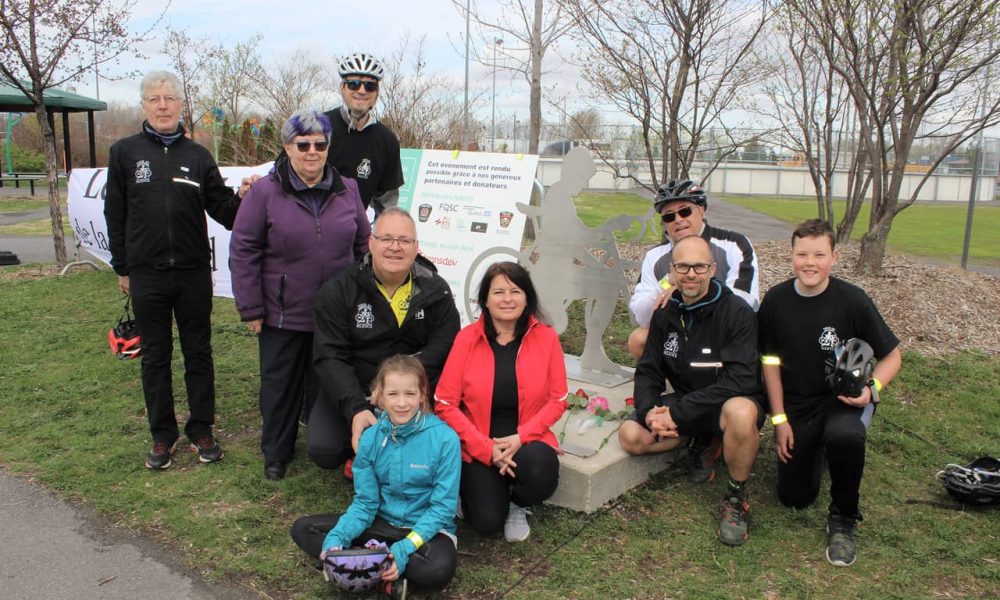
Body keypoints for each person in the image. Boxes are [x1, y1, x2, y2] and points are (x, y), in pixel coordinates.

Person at [105, 70, 240, 470]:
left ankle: (201, 429)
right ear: (144, 106)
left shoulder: (197, 156)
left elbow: (223, 208)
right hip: (146, 274)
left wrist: (248, 200)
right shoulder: (125, 152)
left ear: (181, 105)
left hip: (193, 273)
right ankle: (162, 436)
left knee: (199, 352)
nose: (162, 105)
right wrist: (122, 266)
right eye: (154, 99)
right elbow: (115, 212)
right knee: (155, 357)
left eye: (169, 98)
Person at [229, 110, 370, 481]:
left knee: (330, 382)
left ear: (328, 147)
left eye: (320, 144)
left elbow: (362, 246)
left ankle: (332, 446)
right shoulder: (263, 192)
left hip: (335, 313)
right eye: (303, 144)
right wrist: (251, 307)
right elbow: (244, 250)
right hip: (282, 312)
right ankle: (276, 451)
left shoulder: (348, 189)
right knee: (279, 386)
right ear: (287, 146)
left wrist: (363, 297)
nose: (312, 152)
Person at [758, 219, 901, 567]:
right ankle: (816, 450)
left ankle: (843, 518)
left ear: (834, 257)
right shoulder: (776, 300)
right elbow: (770, 363)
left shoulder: (853, 301)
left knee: (845, 437)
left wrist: (871, 389)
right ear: (791, 255)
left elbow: (892, 356)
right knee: (795, 497)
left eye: (819, 254)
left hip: (843, 402)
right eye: (802, 253)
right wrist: (779, 420)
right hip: (798, 406)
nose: (810, 262)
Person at [619, 235, 766, 547]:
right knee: (631, 436)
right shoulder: (664, 312)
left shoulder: (736, 313)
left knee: (742, 413)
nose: (690, 274)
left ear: (712, 269)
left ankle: (736, 499)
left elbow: (741, 380)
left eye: (699, 266)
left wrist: (677, 412)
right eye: (682, 266)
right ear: (671, 271)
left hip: (726, 404)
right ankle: (697, 440)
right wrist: (650, 413)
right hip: (687, 404)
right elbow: (649, 370)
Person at [290, 355, 461, 598]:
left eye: (410, 394)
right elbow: (365, 503)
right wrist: (337, 538)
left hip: (426, 530)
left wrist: (405, 547)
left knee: (438, 569)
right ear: (377, 394)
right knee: (304, 529)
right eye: (392, 394)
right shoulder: (370, 438)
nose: (402, 403)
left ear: (423, 394)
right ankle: (382, 569)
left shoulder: (446, 440)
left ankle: (362, 565)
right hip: (381, 523)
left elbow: (442, 509)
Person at [309, 207, 461, 472]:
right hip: (357, 388)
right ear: (371, 242)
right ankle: (360, 448)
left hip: (412, 392)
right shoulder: (338, 289)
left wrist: (401, 389)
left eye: (404, 240)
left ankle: (383, 452)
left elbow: (445, 347)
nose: (395, 247)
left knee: (437, 444)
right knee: (325, 449)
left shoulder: (437, 290)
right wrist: (356, 407)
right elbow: (330, 355)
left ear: (416, 247)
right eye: (386, 238)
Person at [435, 261, 568, 543]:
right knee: (485, 522)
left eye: (515, 291)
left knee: (541, 471)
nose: (507, 299)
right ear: (485, 299)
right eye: (498, 292)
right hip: (478, 441)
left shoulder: (545, 337)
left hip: (526, 439)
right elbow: (445, 403)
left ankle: (518, 503)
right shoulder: (467, 338)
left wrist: (521, 437)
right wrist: (487, 449)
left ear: (527, 297)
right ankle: (474, 491)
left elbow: (558, 399)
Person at [238, 52, 403, 217]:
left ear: (377, 91)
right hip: (300, 226)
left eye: (370, 86)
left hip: (350, 233)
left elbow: (386, 206)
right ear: (342, 87)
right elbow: (278, 178)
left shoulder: (387, 141)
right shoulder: (315, 127)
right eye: (353, 84)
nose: (361, 91)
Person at [627, 179, 759, 361]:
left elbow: (743, 303)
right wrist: (667, 282)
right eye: (669, 216)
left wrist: (687, 290)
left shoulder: (734, 245)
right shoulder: (654, 256)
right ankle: (669, 385)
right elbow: (641, 316)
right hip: (679, 332)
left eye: (685, 211)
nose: (678, 220)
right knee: (638, 339)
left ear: (701, 210)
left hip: (723, 333)